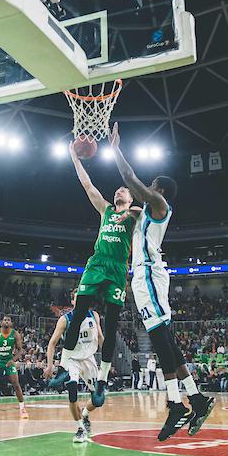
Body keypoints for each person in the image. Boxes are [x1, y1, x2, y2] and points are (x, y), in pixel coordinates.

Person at [108, 123, 213, 439]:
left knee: (158, 339)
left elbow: (130, 180)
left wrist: (115, 149)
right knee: (163, 337)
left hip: (150, 277)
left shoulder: (161, 205)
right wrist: (131, 213)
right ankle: (195, 398)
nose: (147, 189)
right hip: (143, 277)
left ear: (160, 191)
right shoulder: (148, 213)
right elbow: (139, 211)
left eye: (152, 185)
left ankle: (176, 404)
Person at [57, 139, 137, 408]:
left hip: (116, 269)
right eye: (117, 190)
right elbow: (87, 184)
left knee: (112, 324)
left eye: (124, 190)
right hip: (96, 264)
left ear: (131, 198)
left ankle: (101, 380)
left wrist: (134, 211)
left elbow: (149, 210)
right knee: (77, 314)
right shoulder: (105, 210)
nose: (119, 191)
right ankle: (63, 365)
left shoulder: (135, 216)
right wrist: (74, 158)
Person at [45, 294, 103, 443]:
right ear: (72, 301)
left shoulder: (94, 315)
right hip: (70, 359)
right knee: (72, 390)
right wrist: (50, 365)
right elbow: (52, 343)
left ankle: (84, 414)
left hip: (89, 358)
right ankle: (79, 429)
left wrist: (107, 362)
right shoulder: (65, 319)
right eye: (77, 297)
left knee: (97, 400)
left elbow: (101, 337)